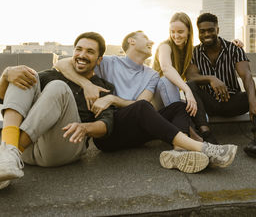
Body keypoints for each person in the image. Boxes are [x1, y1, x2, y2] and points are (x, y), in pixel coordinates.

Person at [0, 32, 115, 203]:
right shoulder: (54, 74)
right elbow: (2, 97)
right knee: (24, 74)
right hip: (28, 150)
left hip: (64, 147)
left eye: (89, 51)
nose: (82, 55)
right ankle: (5, 159)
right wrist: (6, 75)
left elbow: (106, 125)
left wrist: (85, 128)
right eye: (79, 49)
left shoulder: (102, 87)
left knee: (58, 88)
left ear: (99, 59)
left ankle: (1, 158)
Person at [55, 30, 238, 174]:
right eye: (146, 38)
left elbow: (141, 103)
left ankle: (179, 151)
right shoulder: (108, 62)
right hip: (109, 133)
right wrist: (87, 84)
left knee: (179, 107)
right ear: (132, 42)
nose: (151, 42)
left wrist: (112, 98)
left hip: (137, 127)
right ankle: (202, 148)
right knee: (142, 108)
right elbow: (62, 64)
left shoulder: (151, 74)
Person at [186, 13, 256, 159]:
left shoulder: (234, 49)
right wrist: (211, 79)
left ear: (217, 30)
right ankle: (206, 136)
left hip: (231, 101)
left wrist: (252, 102)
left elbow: (247, 75)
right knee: (191, 86)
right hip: (208, 105)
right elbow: (191, 76)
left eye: (210, 30)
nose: (207, 34)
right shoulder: (194, 52)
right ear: (198, 32)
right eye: (202, 31)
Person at [152, 12, 243, 141]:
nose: (176, 36)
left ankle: (195, 131)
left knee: (200, 115)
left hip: (172, 100)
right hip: (157, 96)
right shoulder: (165, 46)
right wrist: (188, 91)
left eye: (180, 31)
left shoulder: (191, 51)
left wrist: (234, 43)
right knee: (166, 81)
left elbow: (214, 46)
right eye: (172, 31)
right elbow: (166, 68)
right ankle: (190, 138)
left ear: (189, 31)